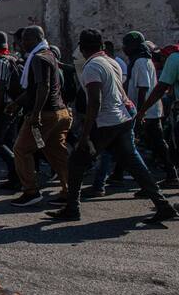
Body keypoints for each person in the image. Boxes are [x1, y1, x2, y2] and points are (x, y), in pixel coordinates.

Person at [47, 29, 177, 223]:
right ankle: (163, 205)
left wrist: (85, 135)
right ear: (101, 45)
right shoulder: (111, 61)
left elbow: (95, 102)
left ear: (81, 48)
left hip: (106, 122)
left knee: (76, 162)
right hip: (122, 119)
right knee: (134, 164)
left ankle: (72, 208)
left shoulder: (92, 66)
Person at [10, 26, 71, 207]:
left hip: (45, 115)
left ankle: (31, 191)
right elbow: (33, 89)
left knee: (21, 149)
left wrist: (35, 114)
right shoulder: (49, 55)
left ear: (36, 39)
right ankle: (70, 190)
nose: (22, 43)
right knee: (55, 152)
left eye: (25, 39)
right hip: (59, 113)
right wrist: (17, 103)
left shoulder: (38, 58)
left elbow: (43, 87)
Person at [122, 31, 179, 189]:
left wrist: (141, 112)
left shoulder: (141, 61)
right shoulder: (142, 60)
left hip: (147, 110)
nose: (124, 48)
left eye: (126, 45)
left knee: (134, 145)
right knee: (154, 143)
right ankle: (167, 175)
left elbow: (144, 87)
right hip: (149, 109)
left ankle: (149, 182)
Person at [0, 31, 22, 190]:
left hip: (3, 109)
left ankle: (17, 170)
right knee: (9, 142)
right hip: (13, 107)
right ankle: (14, 178)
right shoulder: (12, 58)